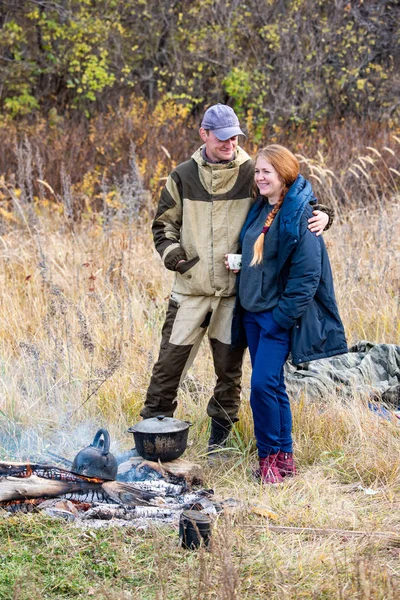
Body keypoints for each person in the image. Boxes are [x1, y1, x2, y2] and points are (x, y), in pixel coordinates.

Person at [141, 104, 333, 453]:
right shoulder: (182, 175)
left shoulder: (250, 172)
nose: (230, 142)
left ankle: (220, 444)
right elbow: (163, 226)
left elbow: (291, 194)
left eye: (235, 136)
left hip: (233, 297)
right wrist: (178, 259)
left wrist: (322, 213)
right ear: (204, 135)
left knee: (228, 376)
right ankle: (153, 443)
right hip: (191, 292)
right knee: (167, 370)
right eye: (223, 137)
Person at [231, 144, 347, 483]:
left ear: (284, 175)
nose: (261, 177)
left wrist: (281, 318)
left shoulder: (302, 215)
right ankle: (284, 460)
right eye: (258, 171)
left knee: (261, 385)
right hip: (252, 314)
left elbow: (307, 277)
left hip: (275, 317)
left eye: (267, 171)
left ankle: (268, 458)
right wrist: (240, 265)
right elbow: (262, 256)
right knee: (273, 387)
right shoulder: (259, 208)